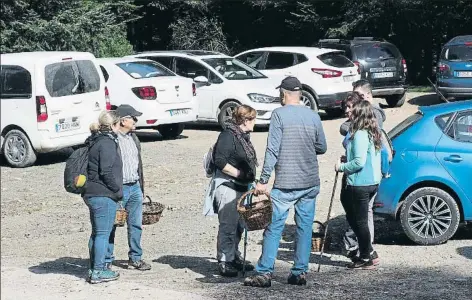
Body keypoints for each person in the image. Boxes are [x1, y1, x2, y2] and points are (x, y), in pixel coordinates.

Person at [244, 76, 327, 287]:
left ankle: (264, 272)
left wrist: (263, 181)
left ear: (283, 93)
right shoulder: (313, 116)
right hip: (309, 181)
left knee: (273, 226)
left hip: (286, 183)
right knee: (304, 227)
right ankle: (299, 272)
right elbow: (322, 147)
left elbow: (272, 149)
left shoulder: (279, 115)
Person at [203, 105, 258, 277]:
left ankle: (234, 256)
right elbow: (220, 160)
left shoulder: (242, 136)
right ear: (245, 120)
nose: (255, 122)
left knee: (239, 226)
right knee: (228, 226)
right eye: (253, 119)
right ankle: (225, 261)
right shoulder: (228, 135)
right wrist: (240, 174)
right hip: (228, 187)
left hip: (241, 188)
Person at [335, 100, 382, 270]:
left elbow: (359, 162)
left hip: (361, 182)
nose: (348, 113)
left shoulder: (361, 133)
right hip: (371, 181)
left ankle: (366, 256)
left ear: (359, 114)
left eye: (352, 110)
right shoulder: (372, 130)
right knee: (352, 214)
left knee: (360, 221)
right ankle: (368, 250)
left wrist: (342, 167)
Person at [106, 104, 151, 271]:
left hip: (134, 186)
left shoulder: (133, 138)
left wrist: (141, 186)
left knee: (136, 224)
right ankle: (106, 259)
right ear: (123, 120)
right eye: (133, 118)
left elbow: (138, 163)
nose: (136, 121)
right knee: (112, 224)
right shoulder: (112, 139)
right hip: (119, 188)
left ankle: (135, 258)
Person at [82, 110, 122, 284]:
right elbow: (105, 171)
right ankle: (99, 270)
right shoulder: (107, 143)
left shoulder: (95, 140)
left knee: (97, 233)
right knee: (103, 234)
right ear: (113, 125)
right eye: (118, 124)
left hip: (91, 193)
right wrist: (117, 190)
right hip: (103, 194)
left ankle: (94, 268)